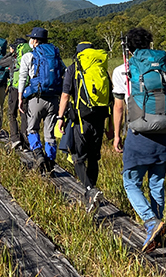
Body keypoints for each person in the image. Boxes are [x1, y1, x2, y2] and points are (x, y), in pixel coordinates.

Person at [112, 27, 166, 253]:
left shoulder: (123, 69)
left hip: (140, 133)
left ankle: (151, 222)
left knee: (130, 182)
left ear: (128, 48)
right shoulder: (164, 67)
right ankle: (156, 231)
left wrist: (116, 135)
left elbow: (119, 106)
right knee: (157, 184)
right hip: (165, 133)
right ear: (150, 45)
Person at [56, 42, 113, 212]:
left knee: (77, 157)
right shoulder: (101, 68)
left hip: (81, 119)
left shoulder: (74, 68)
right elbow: (110, 96)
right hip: (99, 118)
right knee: (94, 157)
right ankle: (91, 194)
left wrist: (60, 118)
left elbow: (65, 95)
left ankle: (90, 189)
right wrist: (110, 125)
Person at [18, 27, 65, 174]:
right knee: (49, 133)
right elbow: (63, 71)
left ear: (36, 41)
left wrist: (20, 97)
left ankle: (38, 154)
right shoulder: (56, 55)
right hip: (54, 100)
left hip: (36, 98)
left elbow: (22, 78)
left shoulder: (29, 56)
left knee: (32, 129)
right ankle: (50, 162)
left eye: (32, 38)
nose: (30, 41)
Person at [0, 38, 31, 151]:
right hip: (27, 88)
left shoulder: (13, 58)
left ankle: (15, 138)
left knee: (12, 114)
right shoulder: (30, 55)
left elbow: (1, 62)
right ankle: (26, 143)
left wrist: (11, 53)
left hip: (14, 88)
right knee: (24, 115)